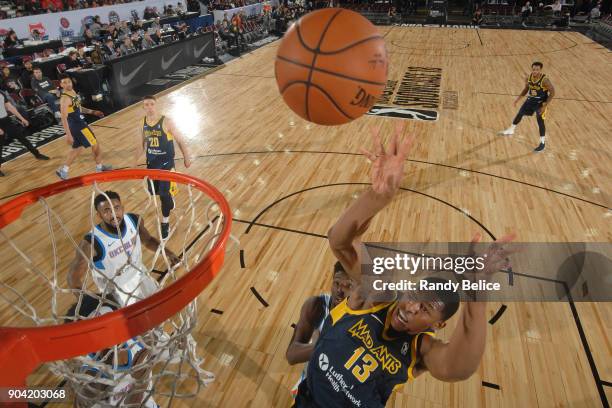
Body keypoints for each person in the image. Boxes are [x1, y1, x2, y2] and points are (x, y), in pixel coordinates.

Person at [293, 127, 514, 407]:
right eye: (414, 296)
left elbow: (458, 368)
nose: (410, 307)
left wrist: (477, 293)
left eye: (425, 308)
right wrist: (376, 198)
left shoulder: (421, 350)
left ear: (439, 324)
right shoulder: (377, 297)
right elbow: (340, 242)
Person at [67, 190, 180, 306]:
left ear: (122, 207)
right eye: (107, 211)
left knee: (159, 307)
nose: (114, 214)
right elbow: (73, 277)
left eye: (116, 208)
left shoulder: (134, 220)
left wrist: (168, 253)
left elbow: (148, 240)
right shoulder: (91, 243)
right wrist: (87, 303)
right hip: (115, 291)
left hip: (140, 274)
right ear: (99, 215)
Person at [65, 294, 159, 408]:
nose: (107, 333)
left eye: (108, 323)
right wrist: (140, 384)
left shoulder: (142, 339)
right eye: (98, 330)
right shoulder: (91, 380)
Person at [287, 261, 353, 397]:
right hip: (311, 381)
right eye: (337, 283)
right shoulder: (316, 305)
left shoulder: (363, 321)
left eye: (348, 286)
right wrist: (321, 346)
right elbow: (291, 355)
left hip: (343, 392)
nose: (340, 291)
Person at [133, 95, 191, 240]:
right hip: (151, 165)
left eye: (151, 104)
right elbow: (141, 145)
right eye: (146, 104)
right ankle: (169, 198)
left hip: (166, 165)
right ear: (143, 107)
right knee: (156, 193)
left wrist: (186, 157)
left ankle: (165, 223)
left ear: (156, 105)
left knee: (164, 196)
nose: (149, 107)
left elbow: (180, 140)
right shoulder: (142, 123)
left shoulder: (166, 121)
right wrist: (134, 162)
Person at [55, 74, 112, 180]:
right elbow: (63, 118)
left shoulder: (72, 92)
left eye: (69, 81)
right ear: (61, 84)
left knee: (77, 148)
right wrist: (68, 135)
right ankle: (99, 168)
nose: (68, 84)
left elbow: (78, 108)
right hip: (78, 126)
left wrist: (92, 111)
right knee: (95, 144)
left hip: (77, 124)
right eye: (65, 82)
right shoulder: (65, 99)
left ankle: (64, 170)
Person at [498, 61, 555, 152]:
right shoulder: (528, 78)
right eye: (533, 69)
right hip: (530, 100)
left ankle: (542, 143)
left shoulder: (545, 80)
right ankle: (511, 130)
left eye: (537, 69)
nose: (535, 71)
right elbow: (526, 89)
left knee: (540, 121)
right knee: (519, 114)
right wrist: (518, 99)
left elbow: (552, 92)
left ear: (540, 70)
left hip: (540, 103)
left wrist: (545, 105)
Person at [0, 91, 50, 176]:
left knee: (22, 137)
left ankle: (37, 154)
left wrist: (21, 118)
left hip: (6, 120)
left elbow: (9, 107)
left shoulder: (1, 93)